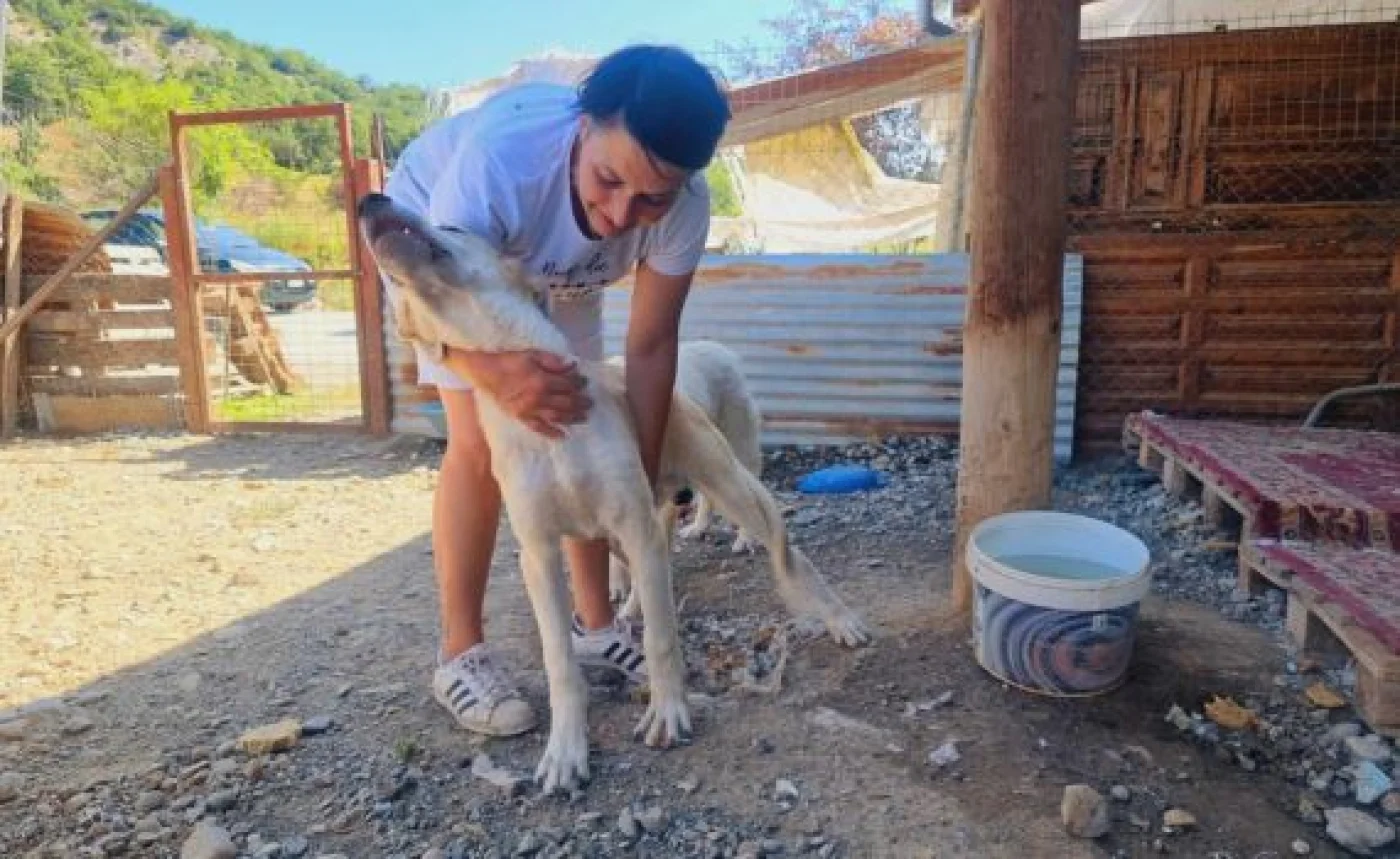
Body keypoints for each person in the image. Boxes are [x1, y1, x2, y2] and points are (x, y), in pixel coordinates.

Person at [382, 45, 731, 737]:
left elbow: (651, 346)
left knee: (579, 420)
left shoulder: (686, 206)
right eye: (609, 179)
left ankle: (595, 625)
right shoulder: (499, 163)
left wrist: (640, 481)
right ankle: (461, 653)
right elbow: (425, 311)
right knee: (482, 442)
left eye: (651, 198)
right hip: (443, 260)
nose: (621, 214)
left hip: (564, 273)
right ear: (583, 125)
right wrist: (491, 373)